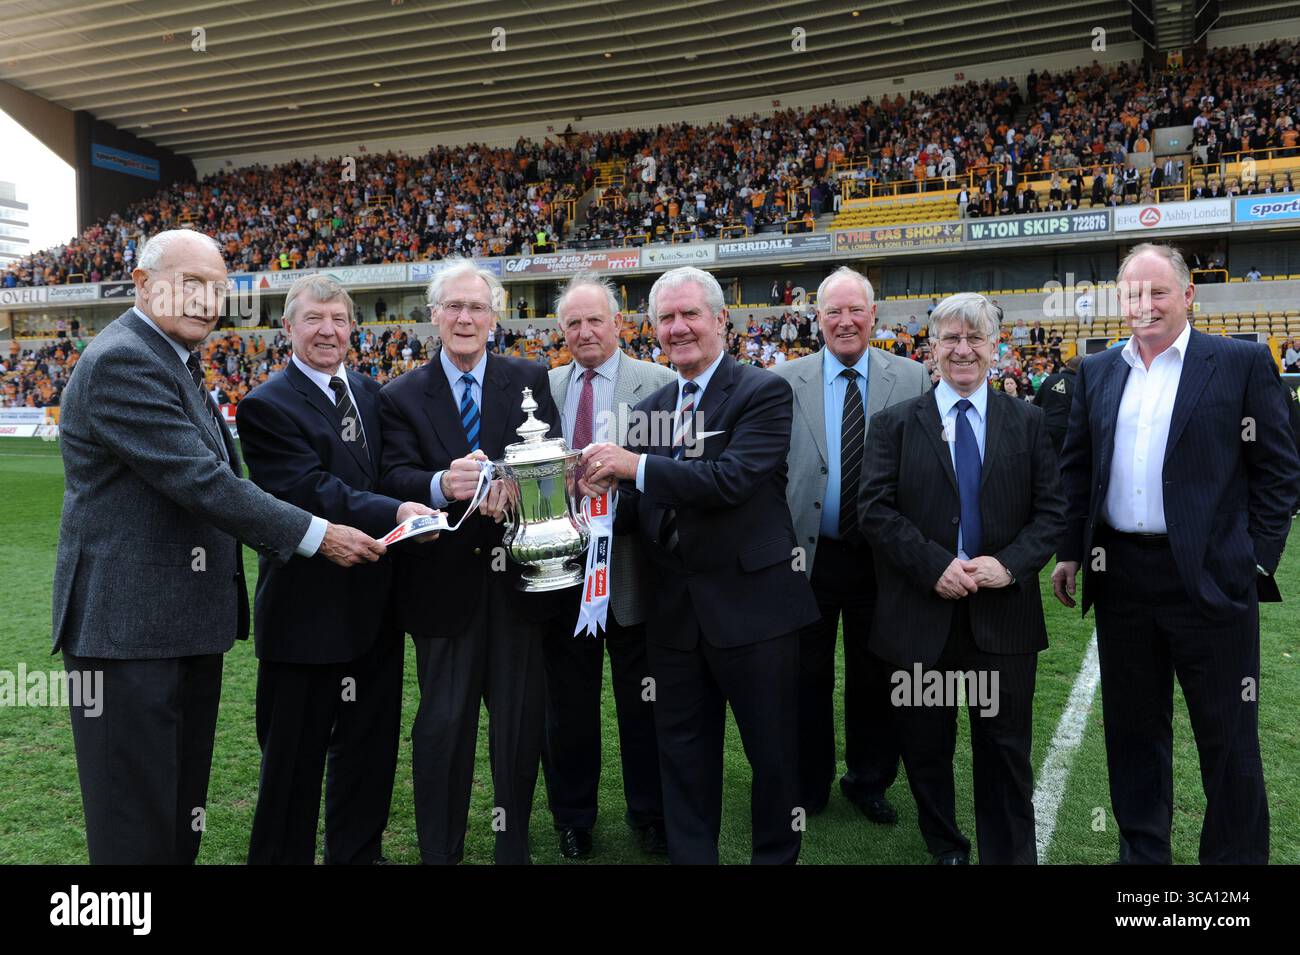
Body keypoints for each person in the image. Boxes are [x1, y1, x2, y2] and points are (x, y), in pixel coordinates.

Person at [51, 229, 384, 865]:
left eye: (218, 287)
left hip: (176, 630)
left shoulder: (171, 357)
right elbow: (204, 483)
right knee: (137, 835)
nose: (207, 300)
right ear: (144, 285)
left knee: (177, 825)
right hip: (128, 635)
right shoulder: (125, 359)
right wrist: (318, 535)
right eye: (191, 283)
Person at [1052, 243, 1300, 864]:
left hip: (1212, 580)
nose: (1146, 304)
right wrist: (1069, 553)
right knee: (1134, 737)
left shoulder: (1240, 362)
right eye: (1134, 293)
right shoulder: (1098, 370)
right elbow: (1077, 469)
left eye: (1158, 291)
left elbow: (1278, 469)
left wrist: (1257, 559)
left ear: (1189, 295)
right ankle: (1143, 865)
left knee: (1229, 741)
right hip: (1122, 580)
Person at [578, 266, 820, 864]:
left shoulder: (762, 391)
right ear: (652, 328)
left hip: (754, 609)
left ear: (721, 321)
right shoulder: (653, 405)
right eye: (666, 318)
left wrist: (632, 467)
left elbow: (730, 480)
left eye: (690, 315)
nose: (678, 328)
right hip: (674, 615)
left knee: (772, 754)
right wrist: (586, 509)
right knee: (681, 755)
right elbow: (639, 505)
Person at [237, 275, 437, 865]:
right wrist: (398, 509)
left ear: (353, 327)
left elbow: (393, 470)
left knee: (369, 750)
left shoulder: (372, 394)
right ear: (288, 329)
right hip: (306, 615)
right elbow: (308, 490)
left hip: (374, 606)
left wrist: (434, 483)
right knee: (292, 763)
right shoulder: (266, 404)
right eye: (314, 319)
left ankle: (357, 856)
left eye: (338, 319)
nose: (328, 330)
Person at [861, 292, 1066, 864]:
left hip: (1002, 621)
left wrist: (1012, 565)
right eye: (951, 338)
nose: (963, 349)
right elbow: (874, 510)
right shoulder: (894, 425)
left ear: (996, 347)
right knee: (927, 747)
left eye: (976, 338)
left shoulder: (1028, 421)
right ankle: (946, 847)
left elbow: (1053, 511)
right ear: (931, 348)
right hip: (920, 617)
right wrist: (933, 566)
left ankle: (1009, 854)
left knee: (1004, 749)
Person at [379, 256, 566, 865]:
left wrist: (522, 487)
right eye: (453, 307)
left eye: (476, 307)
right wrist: (442, 483)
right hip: (441, 588)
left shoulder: (529, 377)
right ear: (434, 315)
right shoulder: (401, 394)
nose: (464, 317)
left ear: (495, 316)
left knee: (518, 730)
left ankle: (513, 849)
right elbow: (391, 476)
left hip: (518, 583)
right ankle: (443, 852)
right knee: (443, 731)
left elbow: (552, 463)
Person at [771, 266, 929, 823]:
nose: (844, 321)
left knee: (876, 673)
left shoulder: (911, 378)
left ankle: (870, 779)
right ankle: (807, 783)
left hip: (881, 558)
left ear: (873, 316)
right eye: (832, 311)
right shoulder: (784, 379)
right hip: (807, 555)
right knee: (804, 674)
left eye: (854, 310)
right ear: (816, 319)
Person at [541, 273, 675, 859]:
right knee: (567, 706)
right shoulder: (541, 387)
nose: (584, 331)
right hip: (562, 576)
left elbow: (672, 479)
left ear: (619, 323)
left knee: (644, 702)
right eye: (572, 322)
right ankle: (573, 816)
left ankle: (651, 813)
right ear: (560, 330)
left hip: (635, 574)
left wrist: (614, 518)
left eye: (595, 320)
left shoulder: (661, 383)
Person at [1033, 354, 1081, 456]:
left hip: (1044, 426)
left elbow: (1035, 403)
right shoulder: (1078, 384)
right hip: (1066, 431)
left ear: (1067, 365)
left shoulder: (1050, 379)